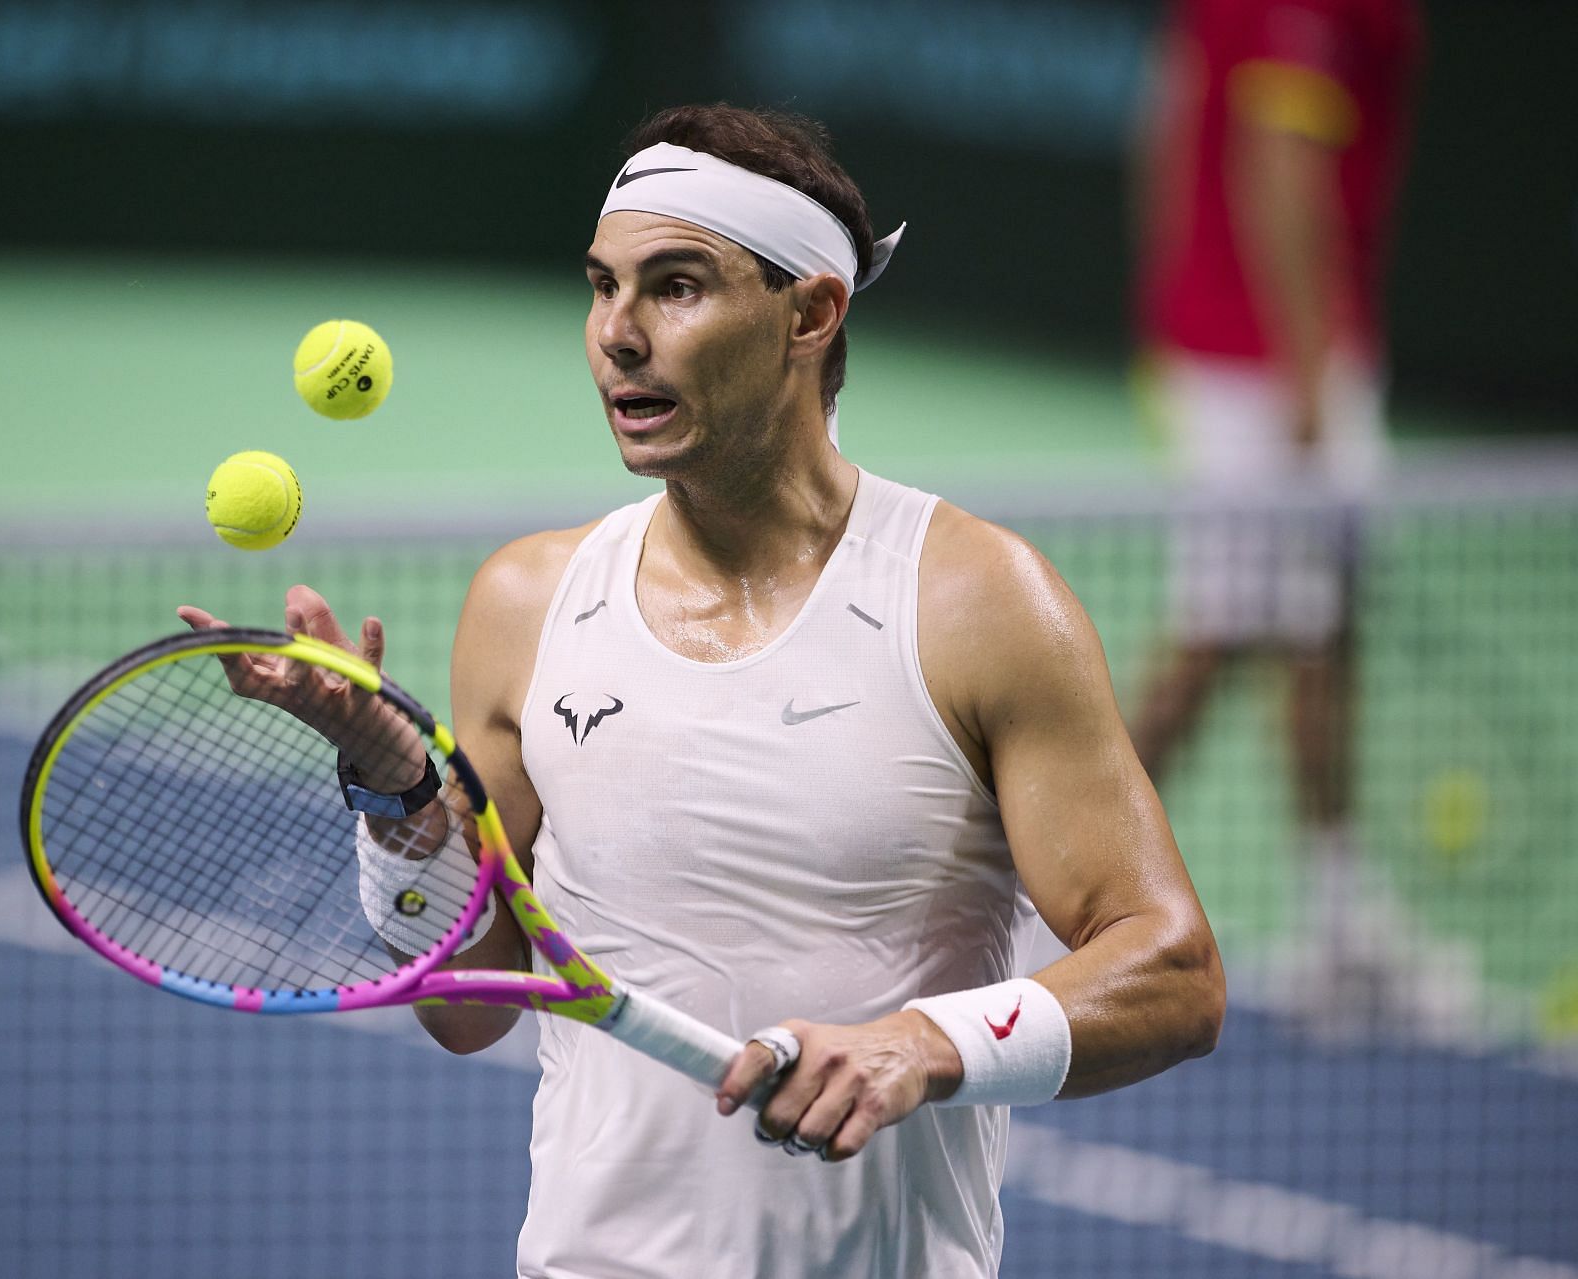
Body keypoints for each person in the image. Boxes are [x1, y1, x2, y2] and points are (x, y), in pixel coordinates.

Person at [183, 105, 1224, 1279]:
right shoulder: (529, 602)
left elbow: (1173, 971)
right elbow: (466, 1002)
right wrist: (391, 775)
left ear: (811, 311)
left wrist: (922, 1045)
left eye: (675, 286)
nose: (618, 335)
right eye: (601, 287)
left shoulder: (976, 601)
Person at [1131, 0, 1424, 1015]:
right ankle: (1043, 893)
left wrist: (1169, 310)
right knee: (1226, 641)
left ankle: (1339, 922)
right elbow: (1280, 164)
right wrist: (1309, 374)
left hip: (1229, 348)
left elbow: (1166, 121)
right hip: (1273, 366)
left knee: (1310, 638)